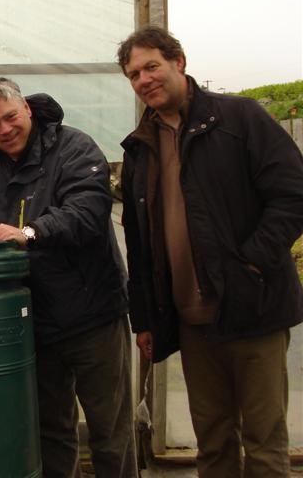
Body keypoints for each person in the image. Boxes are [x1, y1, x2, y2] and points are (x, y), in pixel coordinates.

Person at [117, 26, 303, 477]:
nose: (144, 79)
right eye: (134, 74)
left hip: (253, 310)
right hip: (192, 323)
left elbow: (293, 194)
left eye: (151, 66)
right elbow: (140, 243)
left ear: (178, 61)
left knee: (264, 445)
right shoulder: (141, 148)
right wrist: (144, 319)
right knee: (213, 444)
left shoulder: (239, 119)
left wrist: (252, 263)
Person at [0, 76, 137, 478]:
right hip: (36, 321)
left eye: (10, 117)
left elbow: (88, 209)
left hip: (93, 313)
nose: (5, 130)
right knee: (52, 431)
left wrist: (31, 232)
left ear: (26, 108)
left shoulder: (74, 147)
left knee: (110, 430)